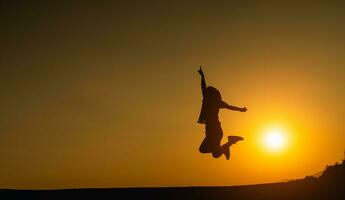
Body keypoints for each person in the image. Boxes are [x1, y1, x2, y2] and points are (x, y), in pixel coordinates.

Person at [197, 66, 247, 160]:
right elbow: (203, 88)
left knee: (212, 153)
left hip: (214, 132)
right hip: (212, 132)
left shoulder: (212, 102)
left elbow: (203, 87)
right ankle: (228, 144)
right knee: (210, 151)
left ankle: (230, 143)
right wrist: (202, 76)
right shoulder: (215, 102)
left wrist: (202, 76)